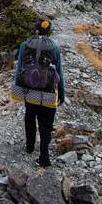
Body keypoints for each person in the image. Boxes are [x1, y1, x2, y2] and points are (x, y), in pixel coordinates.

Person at [10, 18, 65, 167]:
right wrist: (61, 94)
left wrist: (18, 89)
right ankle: (44, 157)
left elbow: (19, 70)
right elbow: (59, 72)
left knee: (30, 116)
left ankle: (29, 146)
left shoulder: (24, 45)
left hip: (29, 90)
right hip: (48, 92)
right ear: (49, 32)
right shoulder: (54, 48)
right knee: (46, 123)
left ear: (36, 30)